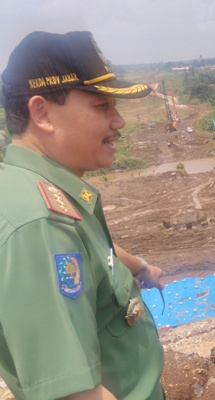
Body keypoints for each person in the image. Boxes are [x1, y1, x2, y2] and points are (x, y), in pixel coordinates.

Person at [0, 31, 166, 399]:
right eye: (102, 107)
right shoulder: (39, 224)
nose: (118, 122)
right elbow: (73, 394)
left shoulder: (43, 189)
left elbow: (93, 250)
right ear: (42, 113)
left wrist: (140, 268)